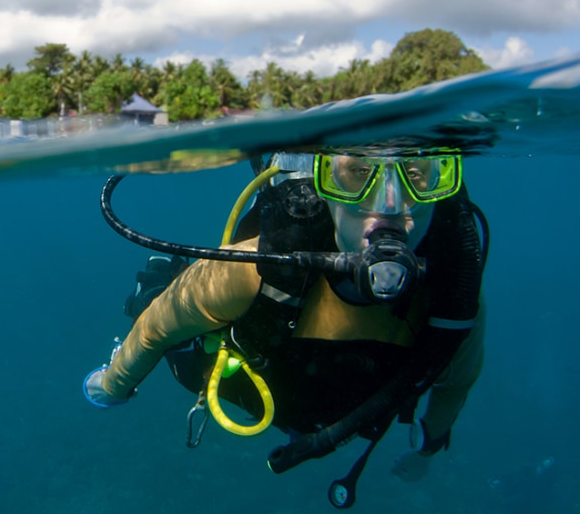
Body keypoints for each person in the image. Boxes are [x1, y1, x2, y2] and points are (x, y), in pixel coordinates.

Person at [84, 150, 488, 508]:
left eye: (418, 175)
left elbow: (456, 380)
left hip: (340, 399)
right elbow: (157, 327)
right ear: (325, 185)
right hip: (248, 379)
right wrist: (114, 383)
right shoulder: (252, 272)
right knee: (171, 331)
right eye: (358, 173)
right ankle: (160, 277)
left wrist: (428, 447)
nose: (389, 204)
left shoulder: (453, 300)